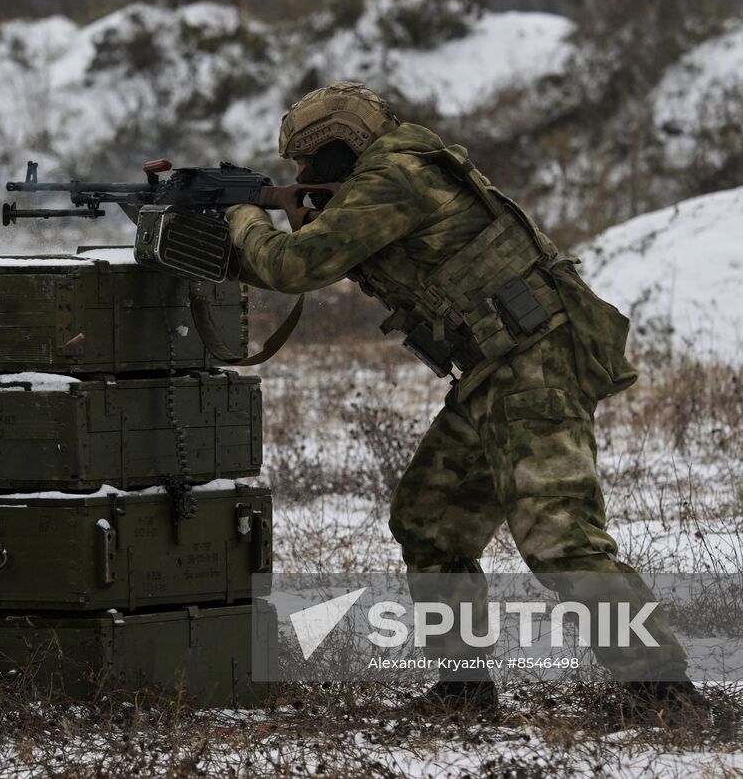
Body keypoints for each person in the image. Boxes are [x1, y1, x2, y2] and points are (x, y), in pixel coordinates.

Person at [225, 81, 711, 723]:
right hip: (496, 370)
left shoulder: (394, 178)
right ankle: (463, 691)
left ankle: (664, 692)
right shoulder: (395, 172)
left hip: (534, 366)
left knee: (560, 537)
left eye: (311, 162)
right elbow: (323, 254)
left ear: (344, 143)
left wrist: (242, 215)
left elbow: (292, 266)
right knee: (430, 520)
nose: (306, 176)